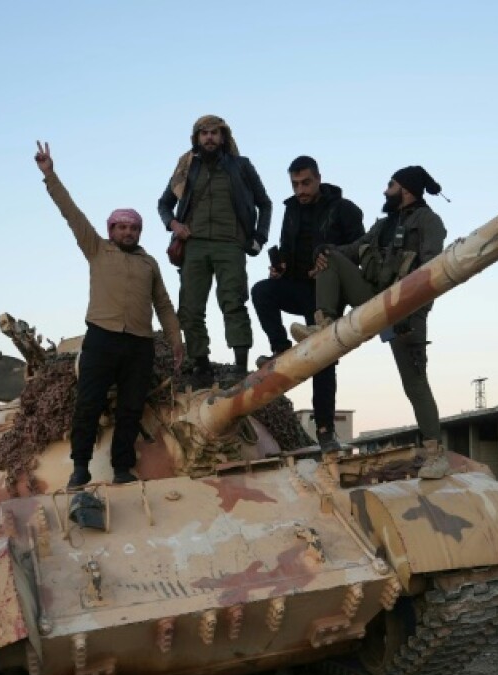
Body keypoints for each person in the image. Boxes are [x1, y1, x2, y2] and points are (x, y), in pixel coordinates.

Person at [35, 140, 184, 488]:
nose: (127, 232)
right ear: (111, 230)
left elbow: (163, 305)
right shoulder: (97, 249)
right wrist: (50, 176)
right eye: (121, 227)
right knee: (88, 405)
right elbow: (71, 213)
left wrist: (176, 341)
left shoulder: (149, 263)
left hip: (139, 345)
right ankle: (80, 467)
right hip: (101, 339)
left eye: (133, 228)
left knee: (131, 410)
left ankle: (122, 468)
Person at [292, 165, 450, 478]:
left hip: (405, 307)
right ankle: (323, 323)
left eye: (390, 185)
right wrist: (326, 251)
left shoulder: (429, 223)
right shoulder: (384, 225)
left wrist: (411, 309)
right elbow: (352, 250)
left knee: (414, 383)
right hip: (373, 299)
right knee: (331, 256)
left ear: (406, 189)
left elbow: (433, 272)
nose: (384, 191)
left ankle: (436, 454)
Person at [251, 156, 364, 452]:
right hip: (298, 286)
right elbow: (287, 248)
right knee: (262, 291)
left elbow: (362, 250)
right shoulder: (290, 211)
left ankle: (325, 432)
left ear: (318, 179)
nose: (300, 190)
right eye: (295, 184)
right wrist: (280, 268)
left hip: (326, 295)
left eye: (305, 183)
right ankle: (281, 348)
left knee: (322, 360)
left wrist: (330, 255)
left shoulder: (344, 209)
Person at [158, 115, 271, 381]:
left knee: (233, 302)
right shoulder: (187, 168)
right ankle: (201, 365)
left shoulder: (241, 166)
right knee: (190, 307)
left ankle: (240, 365)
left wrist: (259, 237)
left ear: (223, 137)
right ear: (196, 138)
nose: (209, 137)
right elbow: (164, 204)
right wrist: (174, 224)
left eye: (214, 133)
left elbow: (264, 203)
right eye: (203, 133)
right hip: (193, 245)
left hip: (230, 243)